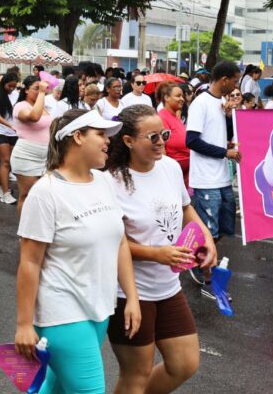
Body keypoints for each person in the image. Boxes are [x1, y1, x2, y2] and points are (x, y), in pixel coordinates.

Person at [14, 109, 140, 393]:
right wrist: (24, 324)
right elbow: (30, 263)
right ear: (78, 136)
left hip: (100, 308)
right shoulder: (45, 193)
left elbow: (119, 240)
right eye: (100, 134)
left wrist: (131, 296)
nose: (108, 141)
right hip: (62, 314)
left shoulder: (104, 181)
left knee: (56, 388)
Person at [105, 105, 217, 393]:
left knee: (184, 363)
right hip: (128, 292)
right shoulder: (110, 181)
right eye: (152, 136)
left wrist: (206, 238)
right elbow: (110, 241)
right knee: (135, 376)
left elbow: (185, 207)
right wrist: (157, 254)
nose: (161, 142)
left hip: (168, 286)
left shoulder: (168, 167)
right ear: (128, 141)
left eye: (164, 134)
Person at [185, 61, 240, 297]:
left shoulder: (221, 103)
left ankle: (196, 260)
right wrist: (224, 153)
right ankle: (209, 281)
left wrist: (228, 116)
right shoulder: (200, 103)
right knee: (209, 230)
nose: (237, 85)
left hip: (222, 178)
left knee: (220, 231)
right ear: (224, 79)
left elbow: (223, 136)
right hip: (206, 179)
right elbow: (192, 141)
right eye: (235, 80)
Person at [10, 76, 52, 215]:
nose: (41, 91)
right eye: (36, 88)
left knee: (43, 195)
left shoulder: (43, 107)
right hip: (26, 156)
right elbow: (34, 117)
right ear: (26, 90)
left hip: (44, 157)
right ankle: (24, 233)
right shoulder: (20, 106)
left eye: (42, 89)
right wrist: (41, 93)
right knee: (27, 195)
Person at [0, 72, 20, 204]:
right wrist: (10, 125)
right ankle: (5, 194)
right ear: (3, 84)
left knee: (8, 162)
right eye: (9, 86)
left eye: (14, 86)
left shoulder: (17, 95)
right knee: (5, 161)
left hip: (14, 133)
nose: (11, 89)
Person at [158, 83, 191, 188]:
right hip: (171, 176)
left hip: (184, 176)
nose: (182, 99)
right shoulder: (162, 117)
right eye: (178, 96)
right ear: (167, 98)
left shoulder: (176, 116)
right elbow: (161, 148)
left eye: (182, 96)